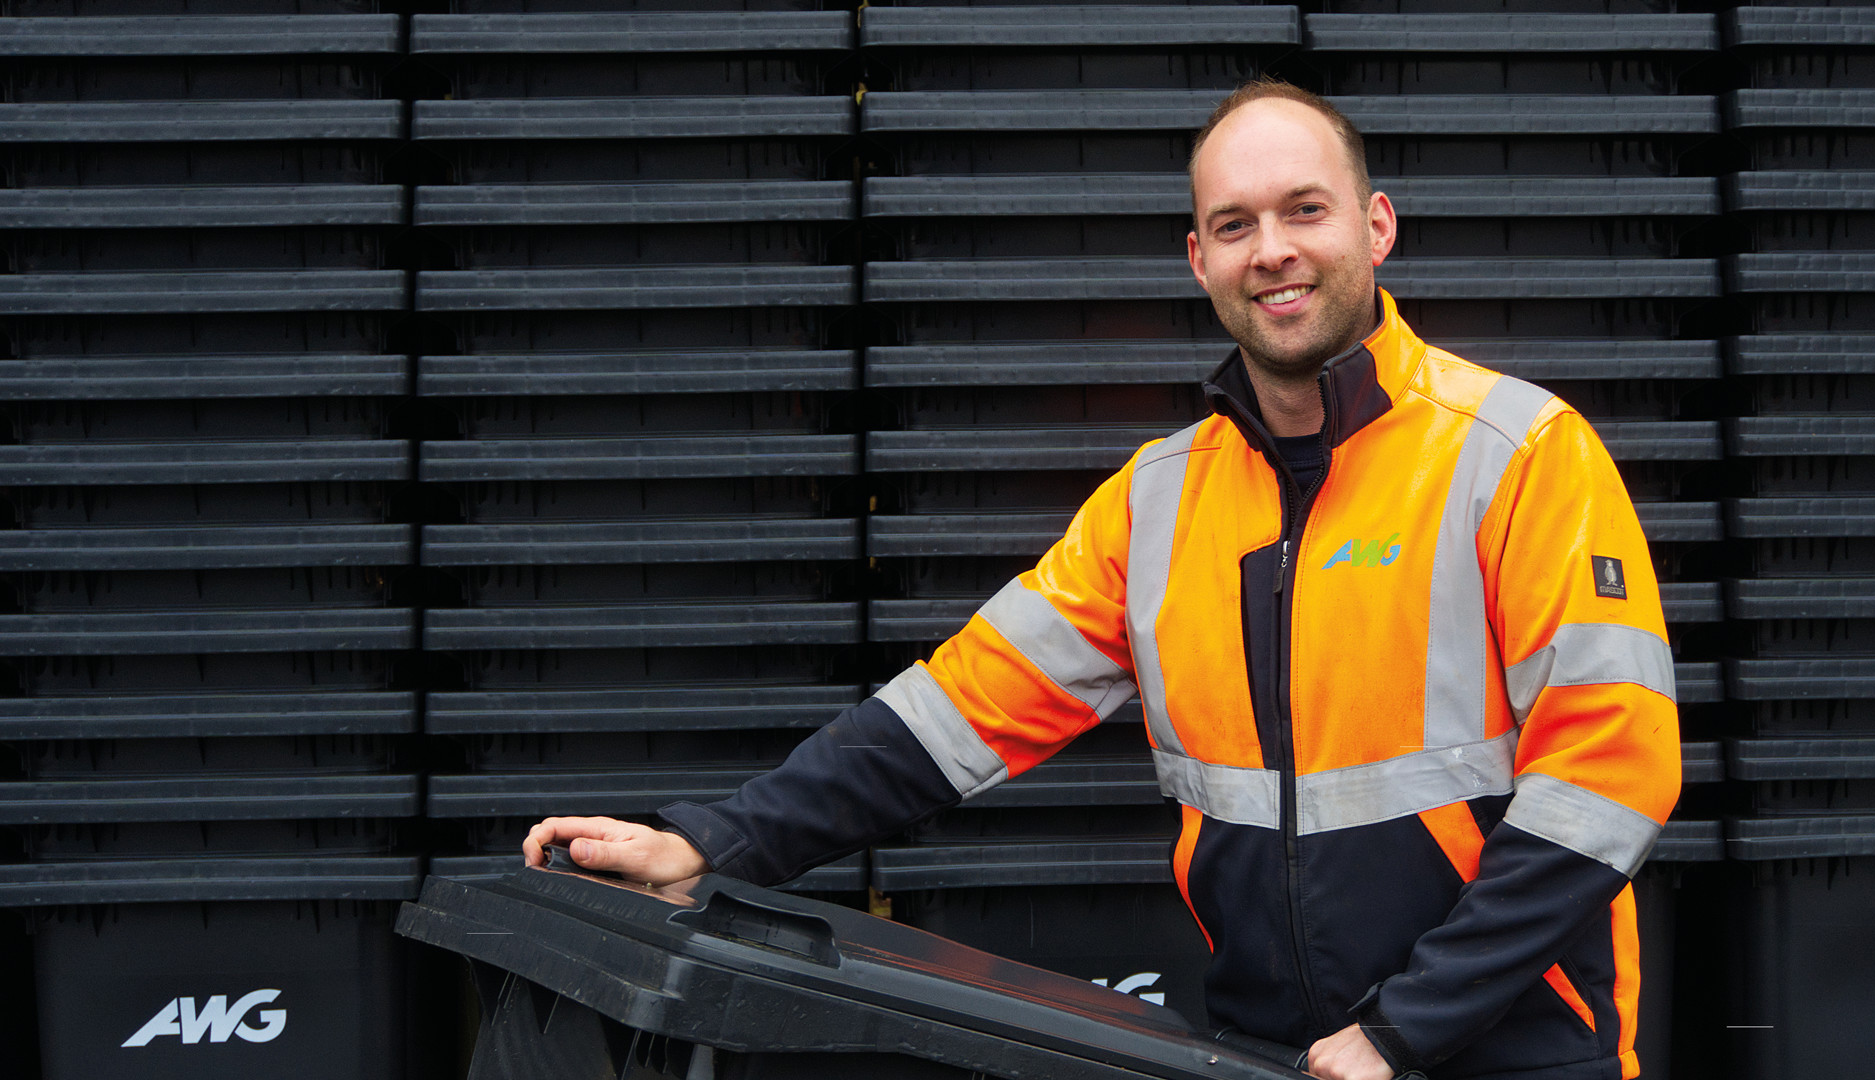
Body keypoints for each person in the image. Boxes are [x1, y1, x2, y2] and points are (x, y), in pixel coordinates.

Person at [525, 78, 1681, 1080]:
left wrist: (1406, 1030)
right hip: (1272, 1049)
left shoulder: (1518, 456)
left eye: (1304, 210)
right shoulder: (1160, 499)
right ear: (1199, 258)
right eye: (1233, 224)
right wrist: (713, 843)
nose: (1270, 248)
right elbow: (955, 711)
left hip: (1510, 1048)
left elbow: (1612, 777)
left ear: (1376, 227)